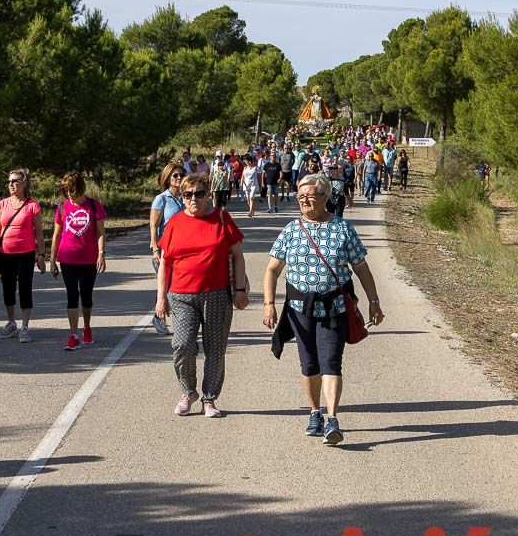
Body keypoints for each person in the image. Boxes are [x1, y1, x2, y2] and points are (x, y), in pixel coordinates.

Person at [262, 174, 384, 446]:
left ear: (325, 197)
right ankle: (314, 411)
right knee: (309, 364)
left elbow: (361, 267)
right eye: (300, 195)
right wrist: (269, 304)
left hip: (335, 308)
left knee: (331, 362)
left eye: (310, 195)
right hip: (299, 308)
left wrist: (374, 301)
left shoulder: (343, 229)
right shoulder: (291, 230)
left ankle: (332, 419)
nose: (304, 200)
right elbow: (272, 270)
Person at [155, 174, 248, 418]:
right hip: (181, 295)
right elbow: (165, 263)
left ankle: (209, 397)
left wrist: (239, 290)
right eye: (188, 194)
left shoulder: (220, 218)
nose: (194, 198)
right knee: (182, 345)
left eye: (198, 193)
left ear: (208, 194)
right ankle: (188, 391)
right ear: (182, 197)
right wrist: (161, 297)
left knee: (215, 348)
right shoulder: (174, 223)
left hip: (216, 294)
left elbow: (237, 255)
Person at [0, 169, 45, 342]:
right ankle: (11, 323)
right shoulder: (2, 204)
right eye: (9, 181)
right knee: (8, 288)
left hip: (25, 254)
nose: (11, 184)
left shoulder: (32, 205)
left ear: (24, 183)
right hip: (5, 254)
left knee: (25, 288)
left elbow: (39, 233)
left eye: (15, 181)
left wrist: (41, 255)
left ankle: (25, 327)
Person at [50, 172, 107, 351]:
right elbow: (57, 234)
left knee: (87, 295)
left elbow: (100, 232)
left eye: (71, 190)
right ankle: (73, 335)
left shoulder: (93, 205)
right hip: (67, 258)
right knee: (72, 295)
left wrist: (101, 253)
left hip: (89, 259)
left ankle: (87, 328)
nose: (69, 194)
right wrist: (52, 260)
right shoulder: (62, 207)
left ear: (80, 188)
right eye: (65, 190)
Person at [149, 163, 186, 335]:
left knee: (179, 286)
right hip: (165, 250)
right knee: (168, 286)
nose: (179, 178)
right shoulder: (162, 199)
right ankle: (158, 317)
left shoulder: (186, 197)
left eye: (181, 175)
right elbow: (153, 226)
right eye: (175, 176)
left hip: (183, 250)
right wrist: (155, 249)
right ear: (168, 178)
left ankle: (175, 318)